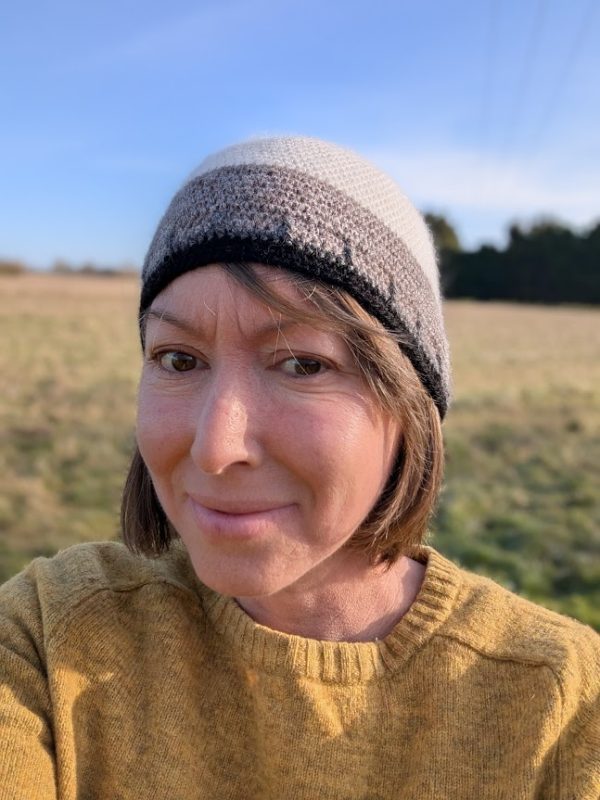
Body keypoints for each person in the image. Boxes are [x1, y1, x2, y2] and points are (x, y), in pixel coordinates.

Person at [0, 136, 598, 800]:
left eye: (303, 364)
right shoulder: (49, 636)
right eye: (178, 359)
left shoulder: (560, 706)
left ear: (409, 405)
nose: (214, 447)